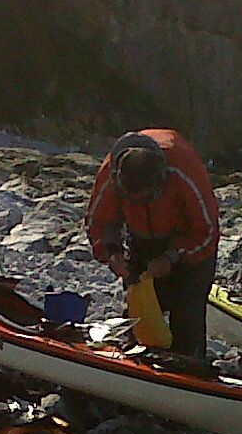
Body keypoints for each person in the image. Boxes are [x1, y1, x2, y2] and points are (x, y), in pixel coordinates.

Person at [85, 128, 220, 358]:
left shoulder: (183, 171)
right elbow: (98, 221)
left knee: (187, 312)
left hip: (187, 240)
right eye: (130, 198)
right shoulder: (111, 173)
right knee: (139, 310)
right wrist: (112, 253)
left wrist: (172, 256)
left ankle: (190, 364)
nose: (138, 202)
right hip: (140, 238)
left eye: (146, 198)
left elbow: (207, 231)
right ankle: (137, 362)